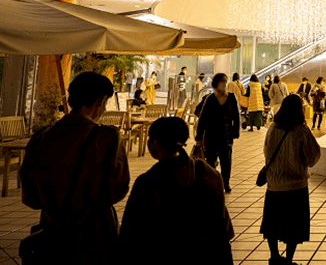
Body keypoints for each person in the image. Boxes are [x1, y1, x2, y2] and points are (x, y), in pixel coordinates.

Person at [20, 72, 130, 265]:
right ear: (101, 100)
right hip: (94, 236)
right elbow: (116, 191)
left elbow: (30, 198)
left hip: (51, 234)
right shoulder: (106, 138)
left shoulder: (40, 138)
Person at [119, 118, 234, 264]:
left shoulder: (148, 181)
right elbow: (222, 224)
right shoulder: (207, 172)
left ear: (155, 143)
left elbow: (132, 231)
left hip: (165, 254)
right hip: (206, 253)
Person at [261, 95, 321, 265]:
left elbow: (266, 152)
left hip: (274, 185)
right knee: (293, 227)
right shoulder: (301, 131)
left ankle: (274, 256)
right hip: (296, 186)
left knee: (272, 224)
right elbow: (312, 158)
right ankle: (288, 260)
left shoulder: (272, 128)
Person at [195, 73, 241, 193]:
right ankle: (212, 183)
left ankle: (226, 182)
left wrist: (236, 131)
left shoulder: (231, 98)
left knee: (226, 161)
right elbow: (203, 118)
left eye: (225, 81)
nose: (224, 84)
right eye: (221, 81)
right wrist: (199, 135)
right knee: (210, 161)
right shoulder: (210, 98)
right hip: (211, 135)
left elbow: (236, 116)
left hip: (226, 135)